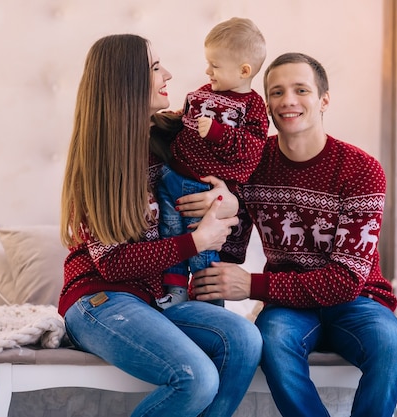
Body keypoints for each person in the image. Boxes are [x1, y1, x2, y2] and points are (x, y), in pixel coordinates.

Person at [191, 52, 397, 417]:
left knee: (389, 345)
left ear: (323, 99)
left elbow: (344, 281)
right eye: (276, 92)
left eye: (301, 90)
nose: (288, 101)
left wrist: (253, 286)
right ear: (266, 105)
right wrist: (217, 208)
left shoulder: (361, 170)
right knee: (273, 342)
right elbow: (228, 250)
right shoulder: (252, 163)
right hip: (288, 308)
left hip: (356, 300)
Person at [58, 34, 262, 417]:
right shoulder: (97, 163)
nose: (168, 74)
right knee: (195, 378)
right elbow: (113, 264)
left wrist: (229, 200)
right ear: (128, 81)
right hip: (101, 299)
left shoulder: (175, 137)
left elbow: (241, 176)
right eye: (154, 68)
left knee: (245, 339)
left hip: (159, 301)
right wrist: (195, 242)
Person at [156, 17, 268, 309]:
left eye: (215, 65)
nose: (208, 71)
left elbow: (252, 149)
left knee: (201, 245)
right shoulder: (205, 92)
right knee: (170, 232)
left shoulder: (252, 106)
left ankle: (210, 302)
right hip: (172, 176)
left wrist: (219, 133)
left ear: (244, 70)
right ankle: (175, 290)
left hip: (202, 188)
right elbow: (183, 120)